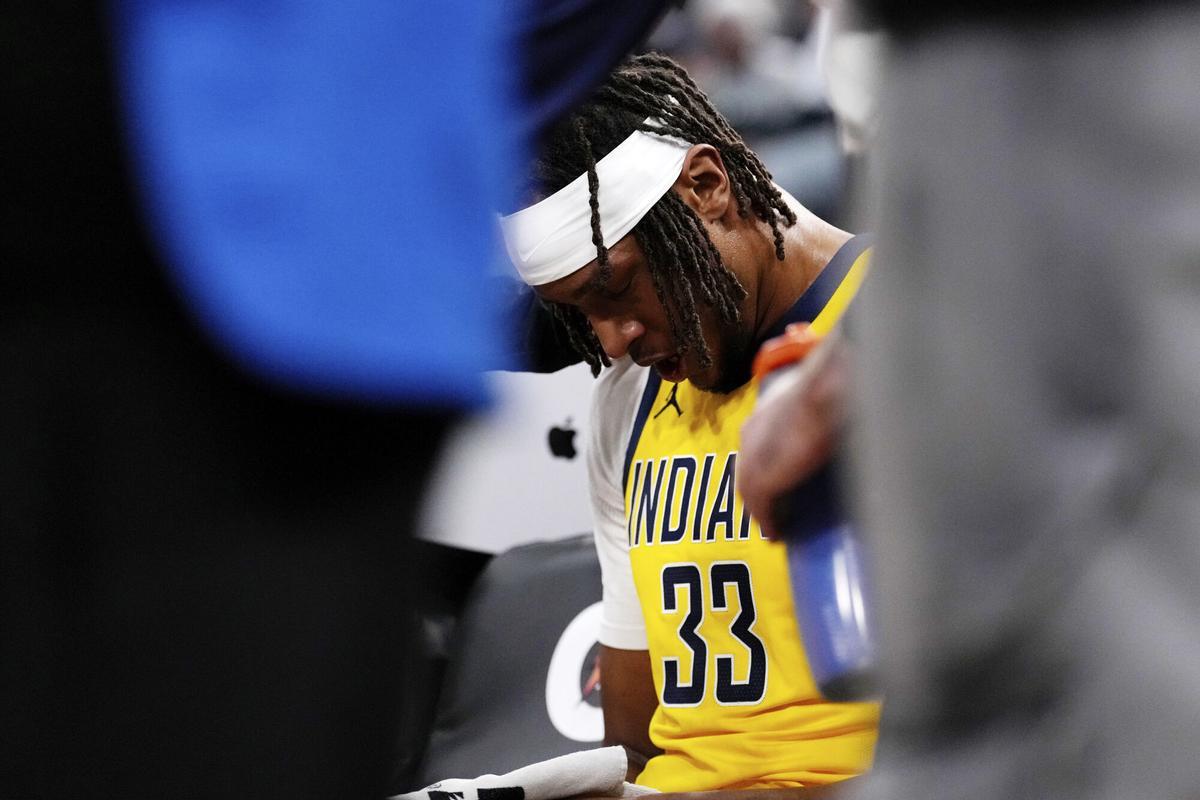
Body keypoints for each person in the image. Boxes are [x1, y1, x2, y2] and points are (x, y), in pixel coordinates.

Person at [499, 53, 879, 793]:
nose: (612, 341)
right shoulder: (629, 399)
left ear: (706, 187)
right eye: (581, 312)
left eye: (615, 289)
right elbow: (637, 749)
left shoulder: (911, 334)